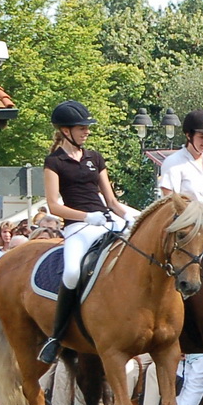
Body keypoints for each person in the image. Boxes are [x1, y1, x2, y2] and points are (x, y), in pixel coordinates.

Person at [38, 100, 138, 364]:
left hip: (106, 219)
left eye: (87, 127)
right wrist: (85, 216)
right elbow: (53, 205)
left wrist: (133, 215)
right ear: (65, 130)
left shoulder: (94, 157)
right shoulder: (54, 162)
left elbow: (112, 200)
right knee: (71, 272)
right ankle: (57, 336)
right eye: (82, 128)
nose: (87, 132)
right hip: (78, 227)